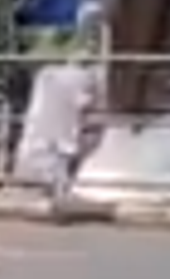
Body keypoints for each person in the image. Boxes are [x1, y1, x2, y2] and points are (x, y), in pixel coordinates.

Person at [10, 35, 103, 199]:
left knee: (46, 158)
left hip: (42, 129)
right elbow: (84, 103)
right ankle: (56, 191)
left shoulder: (47, 74)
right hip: (59, 132)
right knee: (57, 160)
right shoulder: (84, 78)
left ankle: (50, 189)